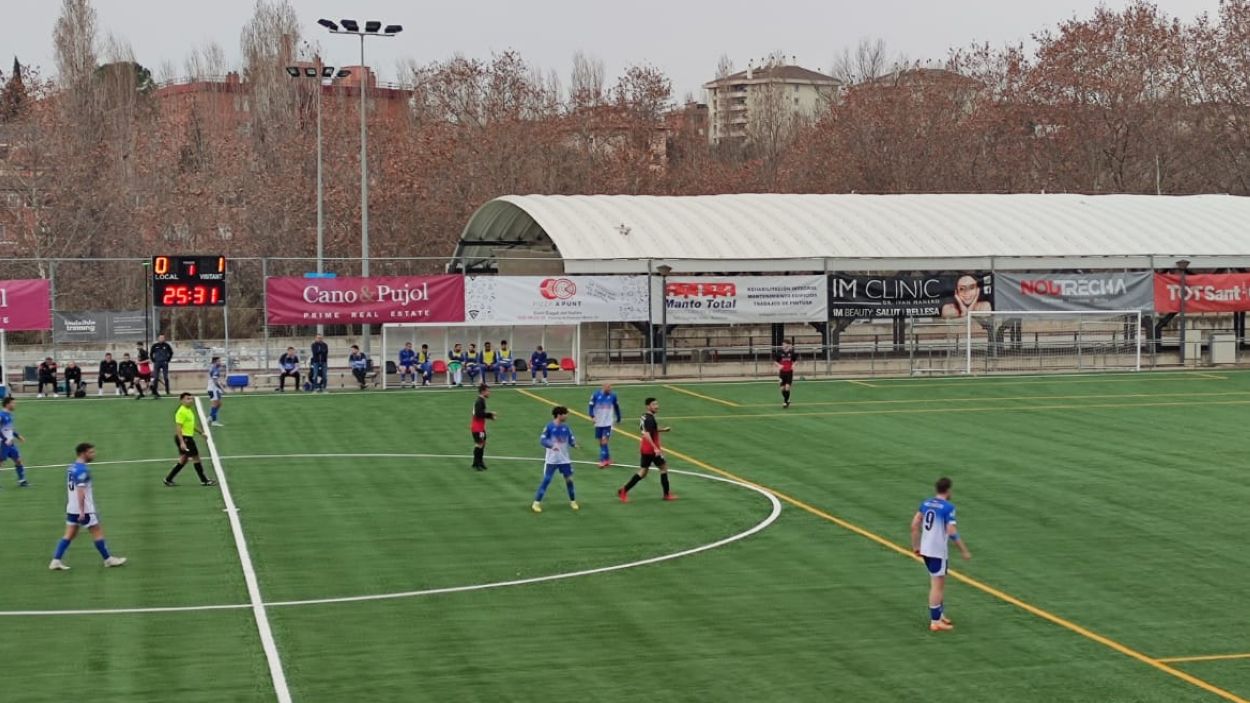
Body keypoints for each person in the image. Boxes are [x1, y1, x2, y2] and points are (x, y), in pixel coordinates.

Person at [49, 442, 127, 570]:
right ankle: (108, 559)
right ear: (83, 453)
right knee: (97, 531)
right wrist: (81, 511)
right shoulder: (82, 470)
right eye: (91, 452)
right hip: (84, 510)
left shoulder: (71, 467)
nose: (94, 454)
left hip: (71, 508)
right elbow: (80, 491)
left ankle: (55, 560)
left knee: (69, 534)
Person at [910, 476, 972, 632]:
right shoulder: (947, 507)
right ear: (949, 490)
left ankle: (939, 614)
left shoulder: (925, 504)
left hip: (925, 549)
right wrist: (963, 550)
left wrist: (916, 546)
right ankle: (935, 621)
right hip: (937, 551)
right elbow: (951, 531)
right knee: (937, 586)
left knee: (937, 584)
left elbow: (914, 525)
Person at [618, 397, 675, 502]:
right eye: (654, 404)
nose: (657, 406)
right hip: (651, 449)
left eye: (657, 404)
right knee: (663, 468)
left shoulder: (645, 416)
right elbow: (647, 434)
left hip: (645, 448)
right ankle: (666, 494)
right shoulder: (649, 419)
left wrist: (662, 430)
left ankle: (624, 490)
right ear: (648, 406)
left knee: (643, 472)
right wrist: (655, 448)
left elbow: (648, 430)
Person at [531, 406, 579, 513]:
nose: (567, 416)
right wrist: (551, 445)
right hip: (552, 460)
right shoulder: (549, 427)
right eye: (565, 414)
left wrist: (574, 444)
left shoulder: (566, 428)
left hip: (564, 460)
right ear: (559, 415)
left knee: (569, 481)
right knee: (547, 480)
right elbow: (542, 440)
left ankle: (573, 501)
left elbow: (571, 439)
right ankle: (536, 503)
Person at [164, 393, 217, 487]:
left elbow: (191, 425)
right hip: (185, 438)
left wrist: (201, 433)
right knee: (196, 458)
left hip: (187, 438)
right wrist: (182, 442)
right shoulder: (181, 412)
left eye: (191, 399)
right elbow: (178, 428)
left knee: (183, 460)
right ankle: (204, 480)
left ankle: (168, 479)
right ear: (182, 400)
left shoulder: (188, 410)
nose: (190, 400)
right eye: (188, 399)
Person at [588, 383, 621, 468]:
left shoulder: (613, 396)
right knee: (601, 443)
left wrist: (618, 417)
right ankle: (608, 459)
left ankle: (603, 461)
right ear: (603, 387)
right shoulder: (595, 395)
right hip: (598, 422)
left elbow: (617, 407)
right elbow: (591, 406)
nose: (610, 389)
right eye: (608, 387)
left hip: (608, 423)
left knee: (604, 441)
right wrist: (592, 416)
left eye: (610, 387)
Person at [0, 396, 29, 487]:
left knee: (18, 460)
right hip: (3, 444)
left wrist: (17, 436)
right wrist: (4, 439)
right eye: (13, 403)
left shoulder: (9, 415)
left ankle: (22, 480)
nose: (15, 405)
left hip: (10, 443)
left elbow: (9, 429)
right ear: (8, 404)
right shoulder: (1, 415)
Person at [470, 383, 496, 471]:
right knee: (479, 445)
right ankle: (477, 463)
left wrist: (490, 416)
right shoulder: (479, 401)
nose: (489, 393)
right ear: (483, 391)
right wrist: (490, 414)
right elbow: (478, 414)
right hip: (477, 428)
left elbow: (480, 414)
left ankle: (479, 462)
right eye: (488, 391)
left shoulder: (481, 400)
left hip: (480, 427)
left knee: (482, 444)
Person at [775, 340, 796, 409]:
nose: (783, 346)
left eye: (784, 344)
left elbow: (795, 361)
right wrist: (779, 366)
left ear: (788, 345)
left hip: (789, 372)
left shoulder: (792, 353)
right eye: (783, 344)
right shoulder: (779, 353)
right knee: (782, 388)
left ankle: (785, 401)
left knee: (787, 387)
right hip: (782, 372)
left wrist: (793, 365)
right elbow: (776, 362)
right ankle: (788, 400)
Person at [206, 356, 225, 426]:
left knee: (219, 404)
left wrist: (221, 383)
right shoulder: (215, 369)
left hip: (213, 388)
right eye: (219, 361)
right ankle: (212, 419)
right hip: (213, 389)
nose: (220, 362)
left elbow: (215, 379)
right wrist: (221, 388)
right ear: (215, 362)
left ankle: (211, 418)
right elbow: (215, 381)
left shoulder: (213, 368)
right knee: (216, 404)